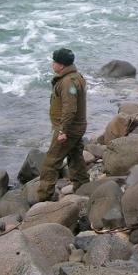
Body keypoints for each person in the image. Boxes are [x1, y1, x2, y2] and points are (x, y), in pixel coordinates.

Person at [36, 47, 90, 202]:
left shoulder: (67, 82)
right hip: (76, 127)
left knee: (51, 163)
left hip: (69, 128)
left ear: (61, 66)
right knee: (75, 156)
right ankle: (83, 187)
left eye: (54, 62)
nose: (52, 64)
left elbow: (70, 108)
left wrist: (62, 131)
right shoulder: (75, 77)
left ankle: (43, 199)